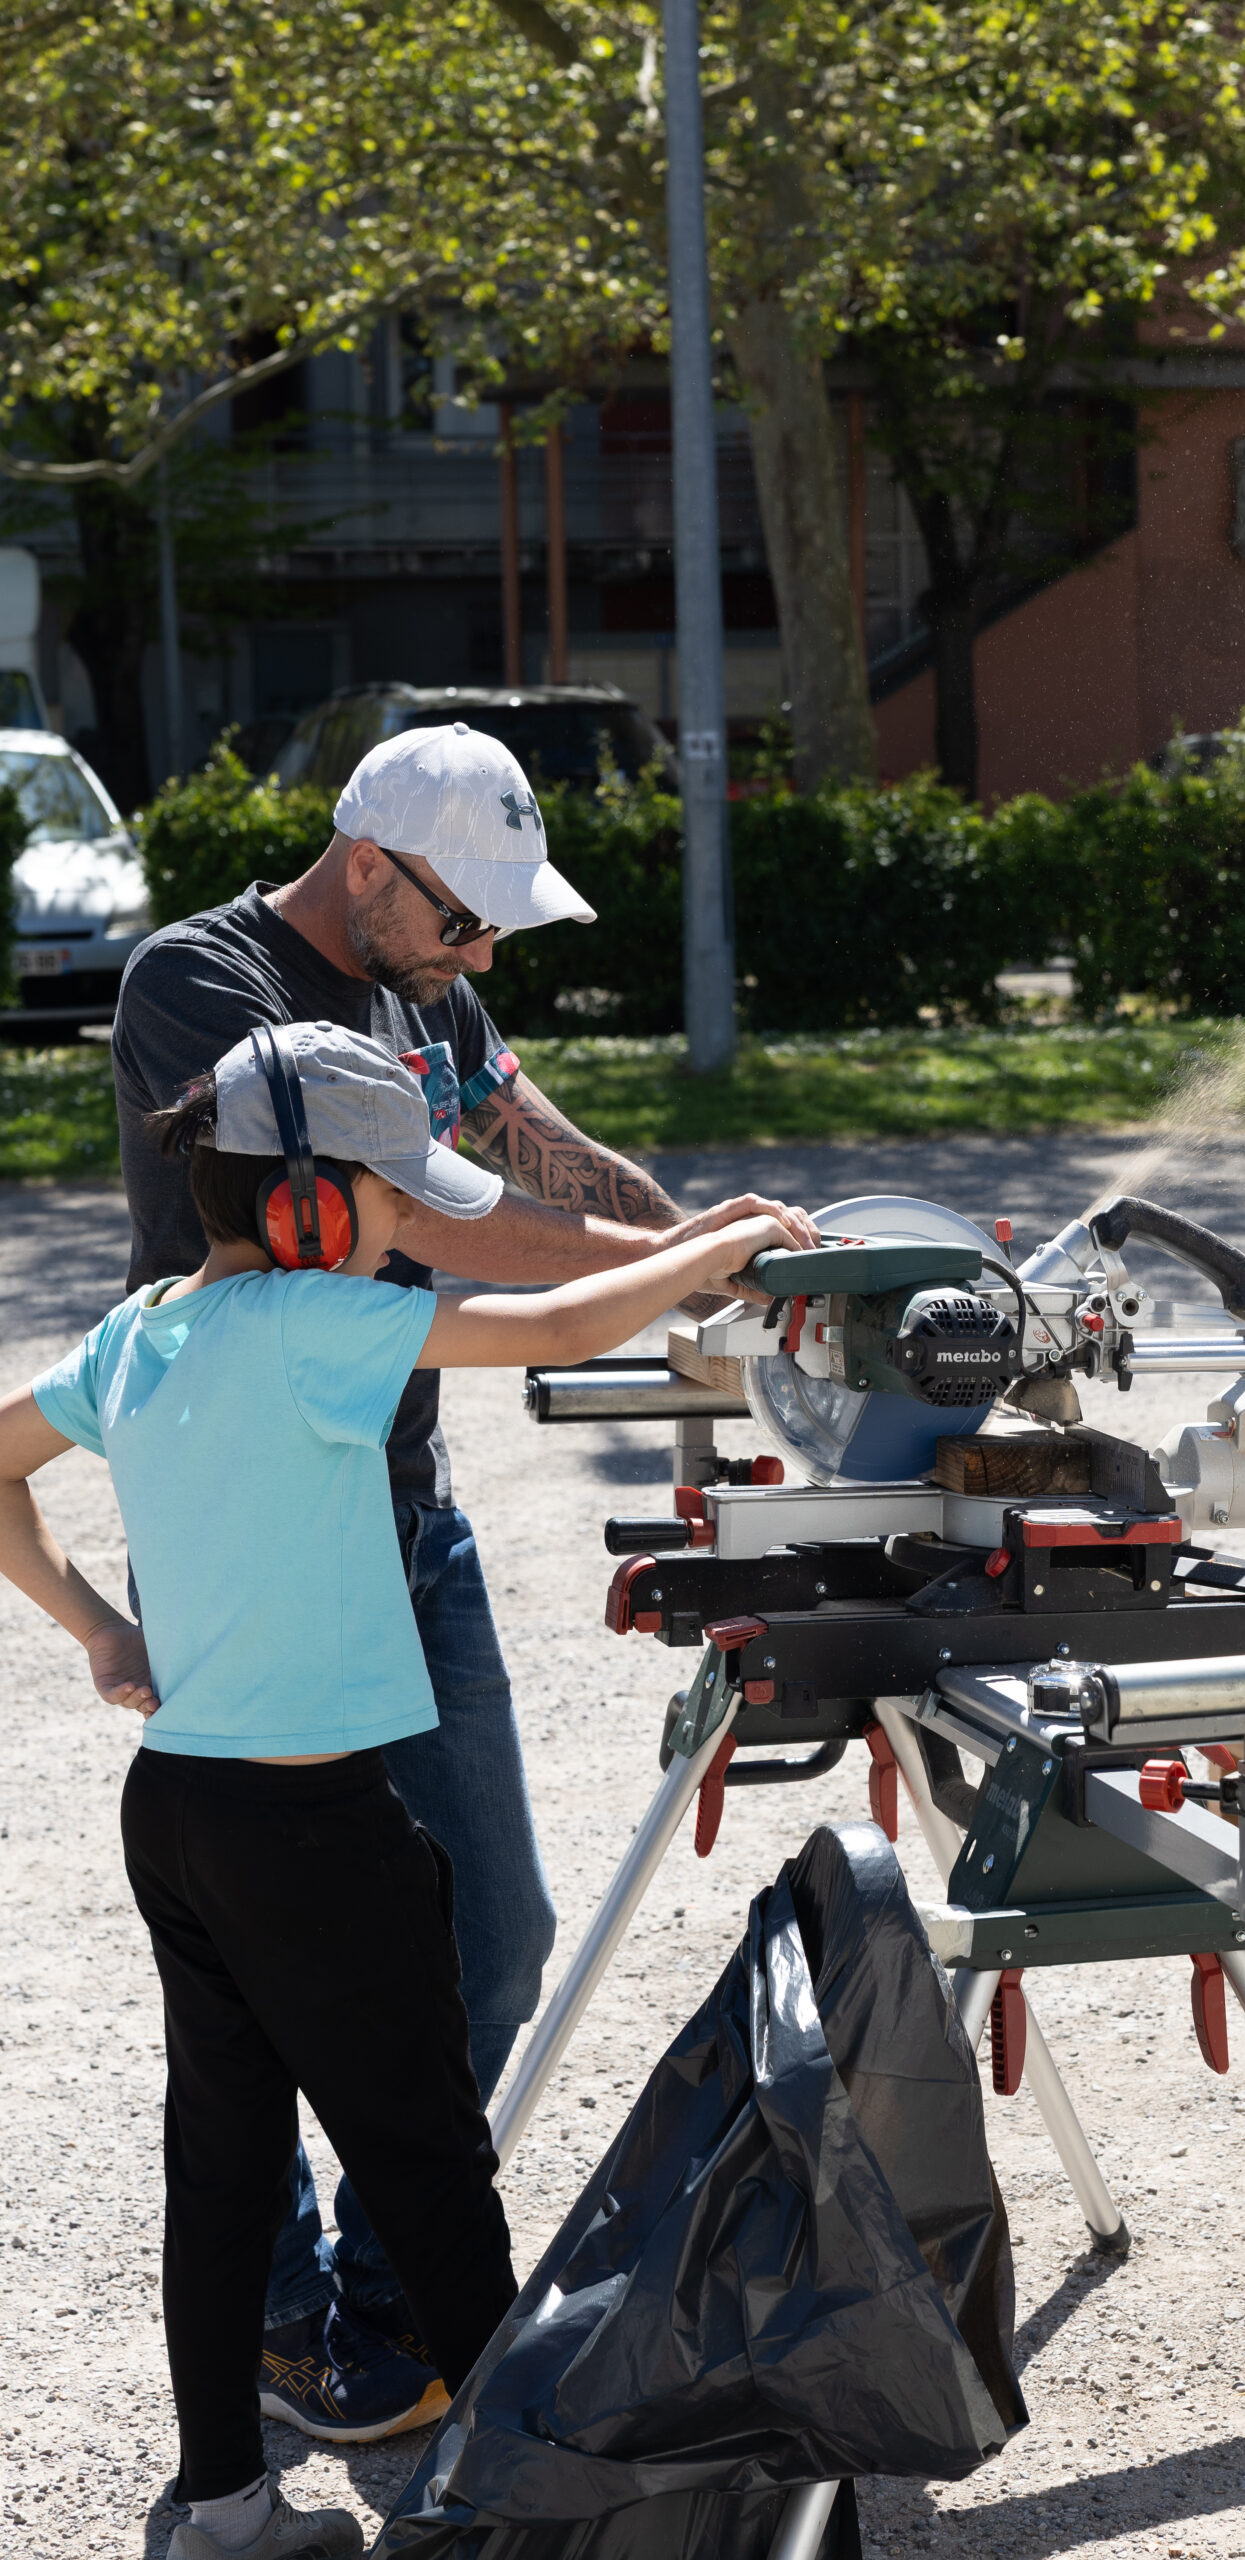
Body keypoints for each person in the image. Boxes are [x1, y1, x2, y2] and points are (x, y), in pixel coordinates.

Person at [0, 1020, 797, 2560]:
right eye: (390, 1196)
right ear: (306, 1203)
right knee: (430, 2169)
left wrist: (100, 1630)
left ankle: (224, 2510)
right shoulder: (317, 1318)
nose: (407, 1226)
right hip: (313, 1834)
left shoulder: (142, 1328)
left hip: (180, 1815)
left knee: (224, 2168)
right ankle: (525, 2518)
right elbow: (561, 1325)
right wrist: (720, 1245)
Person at [111, 721, 815, 2437]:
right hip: (255, 1529)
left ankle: (379, 2301)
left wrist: (719, 1258)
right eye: (464, 919)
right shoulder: (200, 990)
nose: (485, 954)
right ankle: (287, 2318)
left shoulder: (424, 985)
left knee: (496, 1935)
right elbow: (451, 1226)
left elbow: (531, 1144)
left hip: (408, 1514)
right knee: (258, 1970)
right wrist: (675, 1269)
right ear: (368, 867)